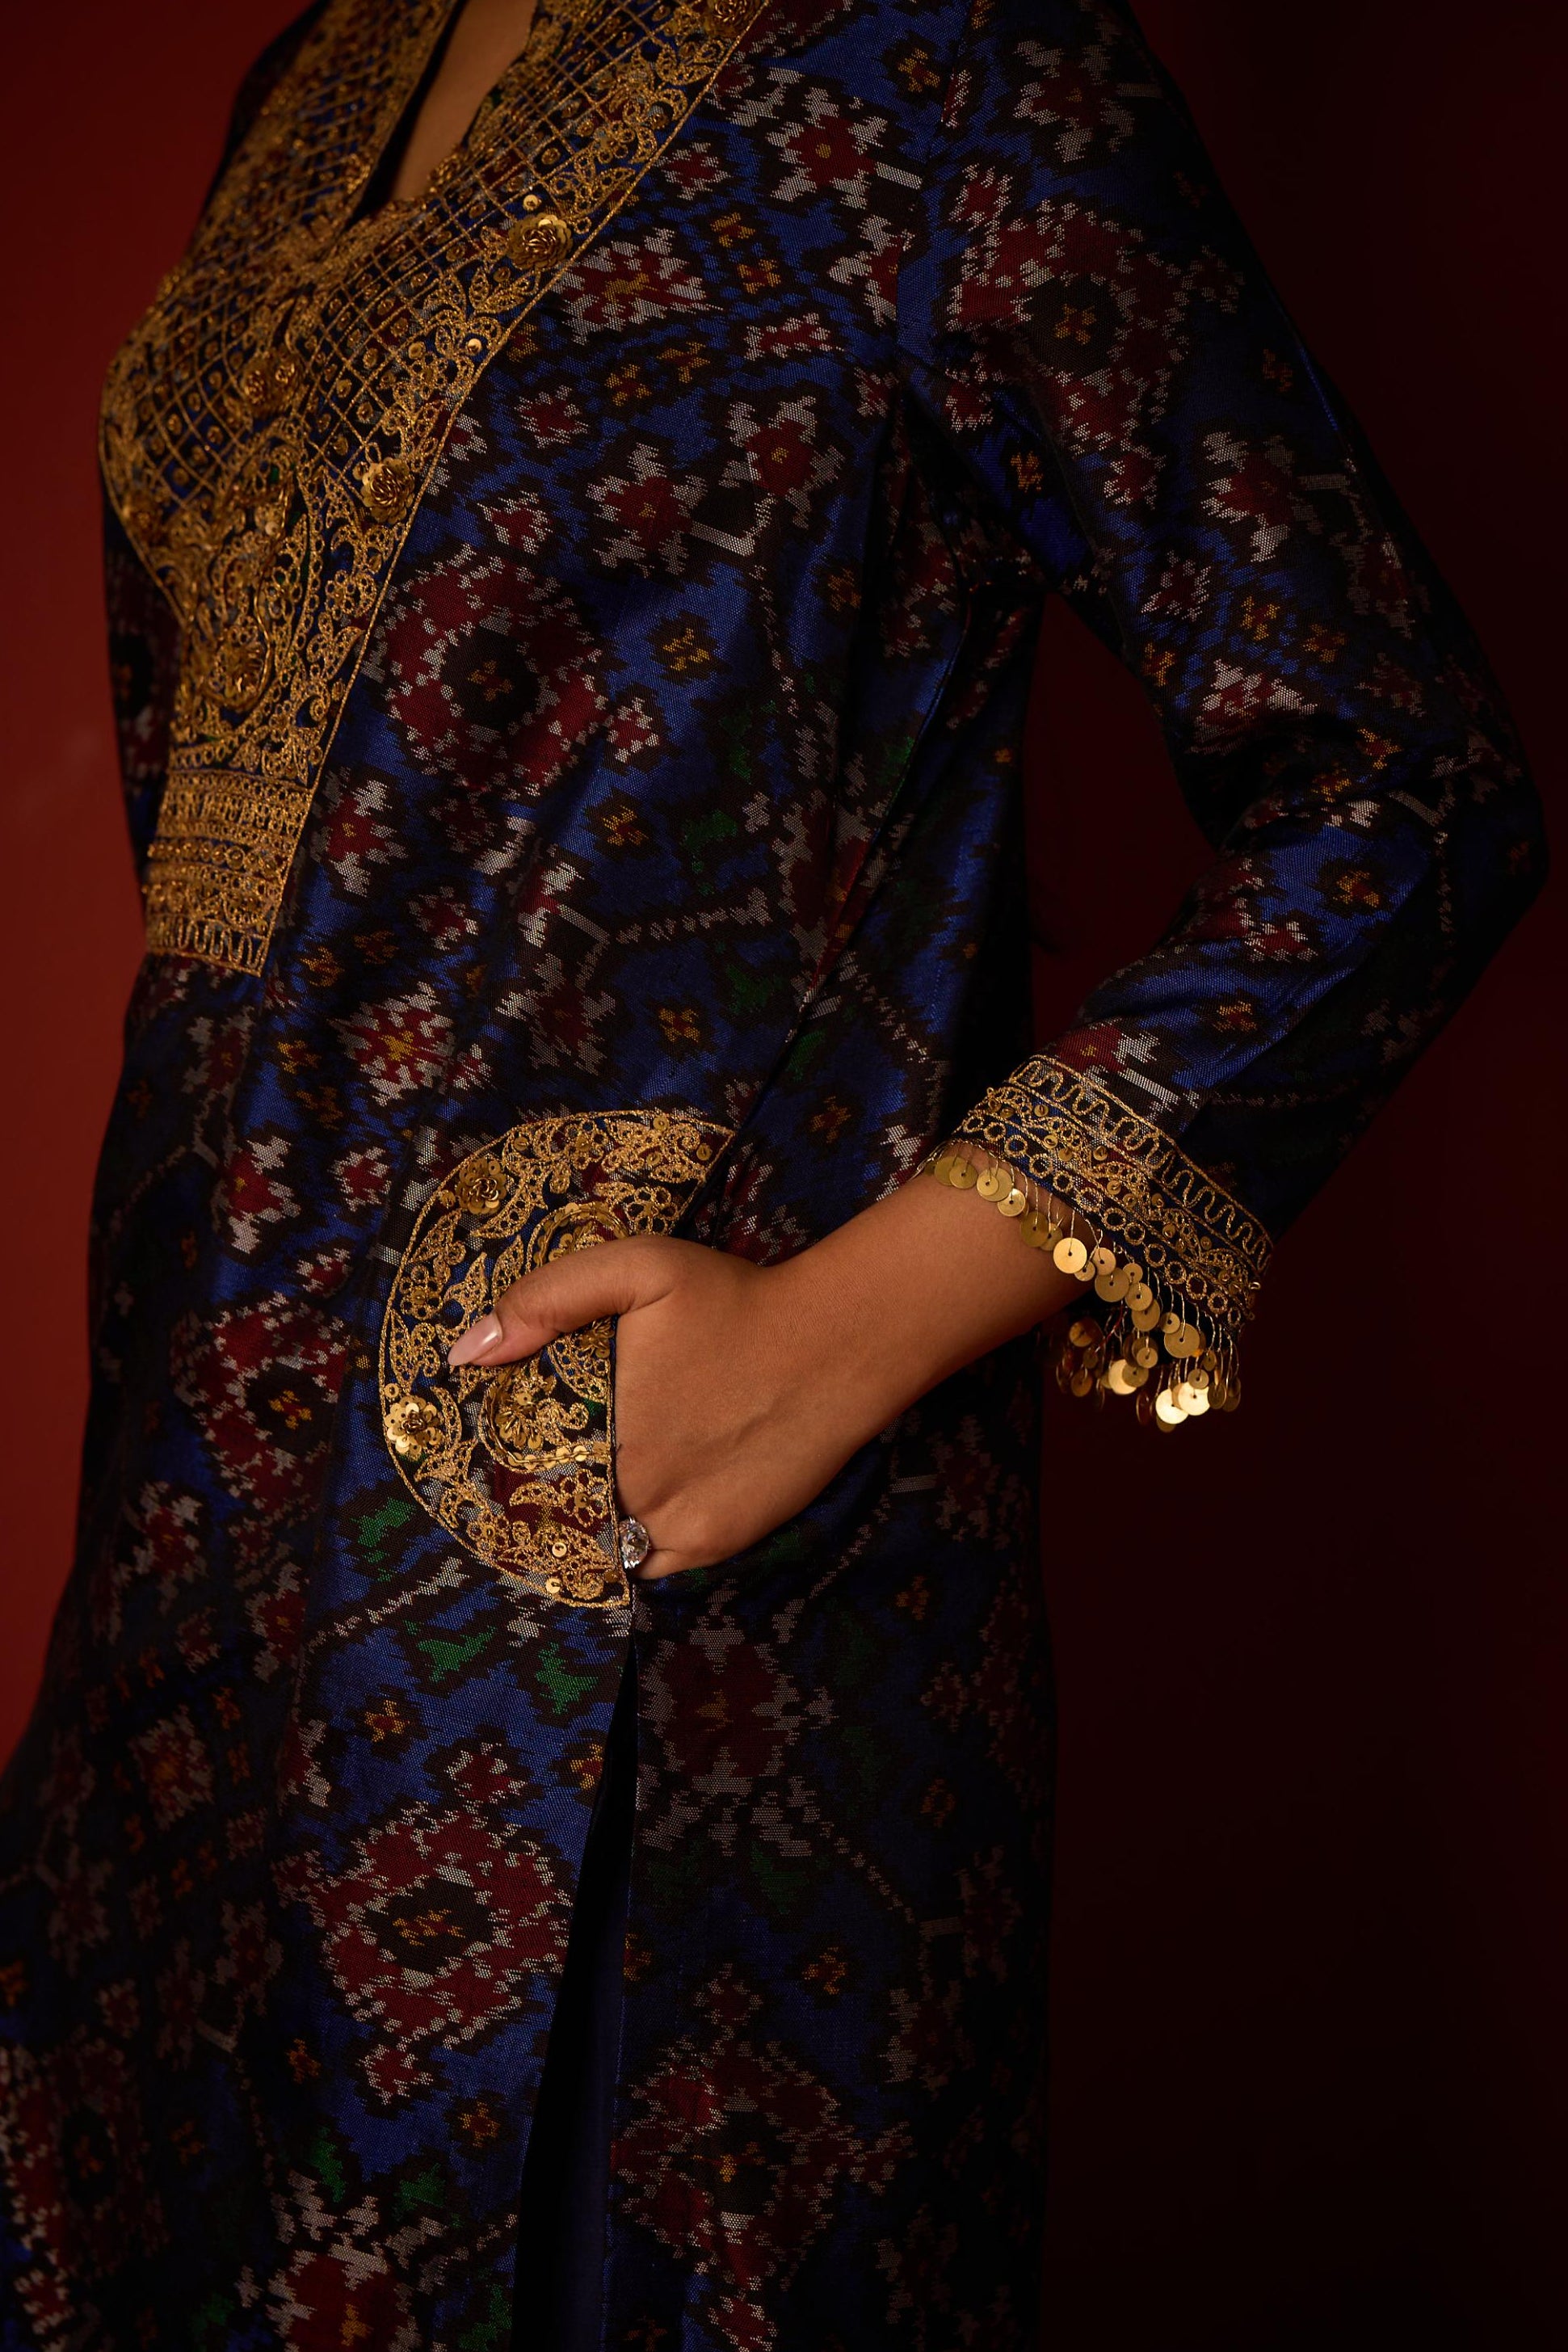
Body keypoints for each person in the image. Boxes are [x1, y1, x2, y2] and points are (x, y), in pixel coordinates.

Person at [0, 0, 1544, 2344]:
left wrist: (838, 1336)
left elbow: (1407, 795)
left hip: (656, 1590)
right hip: (189, 1554)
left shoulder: (948, 64)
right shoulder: (313, 76)